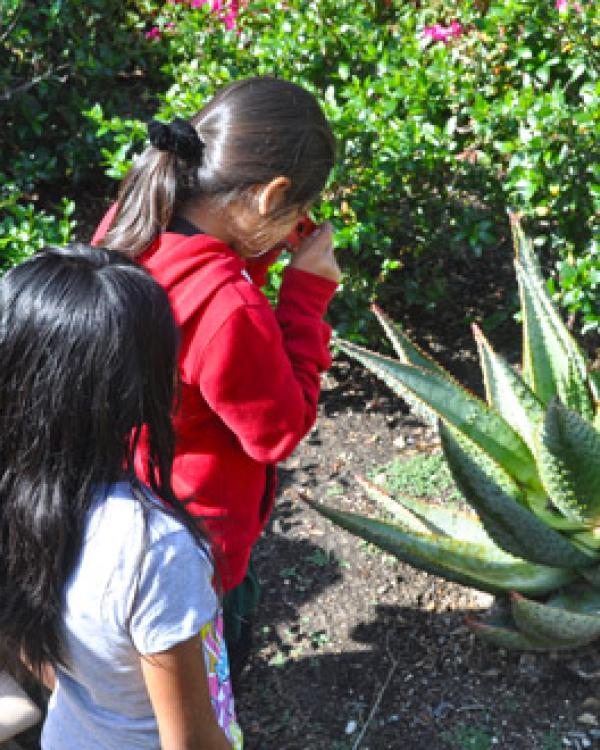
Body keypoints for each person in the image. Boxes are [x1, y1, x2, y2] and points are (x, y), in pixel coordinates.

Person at [92, 76, 340, 681]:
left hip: (118, 508)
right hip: (201, 542)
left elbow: (201, 282)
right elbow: (276, 432)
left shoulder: (131, 221)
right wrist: (305, 298)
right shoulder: (230, 307)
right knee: (205, 692)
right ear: (270, 194)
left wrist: (259, 251)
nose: (301, 224)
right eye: (298, 209)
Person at [0, 244, 242, 750]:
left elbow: (35, 649)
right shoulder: (153, 548)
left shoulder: (17, 497)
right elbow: (191, 743)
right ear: (139, 389)